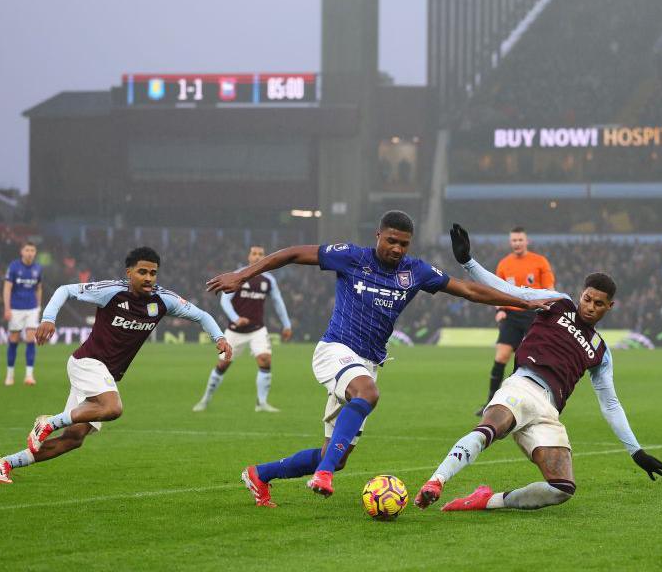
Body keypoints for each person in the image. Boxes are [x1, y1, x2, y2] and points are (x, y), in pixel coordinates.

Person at [206, 211, 555, 506]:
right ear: (378, 236)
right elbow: (294, 254)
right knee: (368, 394)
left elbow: (466, 289)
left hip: (367, 363)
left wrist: (521, 302)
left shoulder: (414, 271)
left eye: (403, 244)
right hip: (335, 351)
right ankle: (322, 476)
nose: (396, 249)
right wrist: (242, 274)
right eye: (391, 241)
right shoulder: (351, 256)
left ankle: (260, 474)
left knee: (338, 454)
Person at [413, 224, 662, 512]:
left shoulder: (601, 350)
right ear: (581, 294)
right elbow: (508, 290)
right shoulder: (558, 303)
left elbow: (610, 404)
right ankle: (436, 481)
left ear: (609, 307)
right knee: (488, 429)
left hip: (548, 412)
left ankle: (487, 500)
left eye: (598, 304)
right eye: (586, 298)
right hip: (521, 387)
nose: (589, 306)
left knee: (562, 489)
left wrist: (636, 451)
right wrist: (467, 262)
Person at [0, 247, 232, 484]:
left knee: (74, 439)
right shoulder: (111, 291)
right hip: (87, 363)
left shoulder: (163, 299)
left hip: (106, 374)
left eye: (153, 273)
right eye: (142, 272)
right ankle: (47, 423)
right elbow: (64, 290)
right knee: (113, 407)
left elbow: (201, 315)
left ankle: (4, 463)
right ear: (129, 273)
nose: (148, 278)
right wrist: (48, 318)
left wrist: (219, 338)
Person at [194, 245, 293, 412]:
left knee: (265, 360)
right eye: (254, 254)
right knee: (222, 364)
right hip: (234, 332)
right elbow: (224, 301)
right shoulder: (238, 276)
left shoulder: (268, 280)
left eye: (261, 254)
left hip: (258, 329)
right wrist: (235, 318)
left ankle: (261, 403)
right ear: (249, 256)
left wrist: (287, 324)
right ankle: (205, 399)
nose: (257, 257)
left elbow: (278, 302)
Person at [477, 226, 555, 415]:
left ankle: (541, 401)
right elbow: (498, 291)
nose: (517, 243)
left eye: (520, 240)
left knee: (533, 359)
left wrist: (547, 312)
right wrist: (500, 309)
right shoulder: (504, 264)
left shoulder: (539, 261)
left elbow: (550, 289)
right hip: (511, 315)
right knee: (501, 356)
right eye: (514, 240)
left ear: (526, 241)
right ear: (510, 242)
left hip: (533, 315)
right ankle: (490, 402)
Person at [3, 241, 42, 386]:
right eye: (27, 250)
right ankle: (10, 375)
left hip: (31, 308)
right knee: (14, 339)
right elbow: (7, 288)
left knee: (31, 339)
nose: (30, 253)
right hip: (16, 308)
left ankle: (29, 376)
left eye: (32, 250)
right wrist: (7, 308)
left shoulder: (38, 268)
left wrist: (38, 306)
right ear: (22, 251)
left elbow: (39, 288)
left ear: (35, 252)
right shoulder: (14, 267)